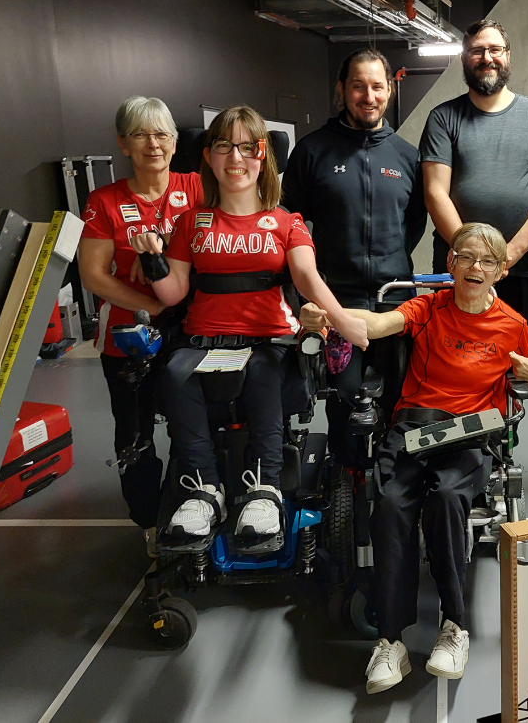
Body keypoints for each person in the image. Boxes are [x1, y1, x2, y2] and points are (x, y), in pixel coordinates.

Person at [302, 222, 528, 693]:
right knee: (391, 505)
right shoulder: (428, 306)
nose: (475, 268)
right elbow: (377, 323)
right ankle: (390, 641)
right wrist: (331, 315)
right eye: (465, 257)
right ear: (449, 263)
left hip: (474, 430)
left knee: (449, 497)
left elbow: (523, 383)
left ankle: (454, 626)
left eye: (487, 261)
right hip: (415, 423)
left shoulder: (513, 324)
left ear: (501, 270)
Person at [131, 105, 367, 540]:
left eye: (248, 147)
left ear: (265, 157)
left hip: (268, 339)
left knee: (263, 372)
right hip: (204, 340)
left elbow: (307, 277)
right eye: (224, 146)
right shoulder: (192, 222)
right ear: (208, 155)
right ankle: (203, 490)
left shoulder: (286, 222)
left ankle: (266, 490)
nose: (236, 158)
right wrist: (152, 259)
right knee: (174, 377)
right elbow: (172, 294)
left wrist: (344, 321)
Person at [282, 48, 427, 471]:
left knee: (403, 393)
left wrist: (390, 259)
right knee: (345, 396)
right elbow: (294, 226)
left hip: (395, 299)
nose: (368, 95)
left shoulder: (406, 155)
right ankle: (348, 478)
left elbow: (413, 223)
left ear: (389, 92)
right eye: (358, 86)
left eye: (377, 86)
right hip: (336, 302)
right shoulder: (311, 153)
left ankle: (393, 476)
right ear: (341, 90)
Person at [79, 96, 203, 556]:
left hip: (193, 332)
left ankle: (198, 502)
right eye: (141, 135)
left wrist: (161, 245)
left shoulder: (196, 187)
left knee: (198, 426)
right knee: (135, 435)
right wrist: (156, 306)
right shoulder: (104, 201)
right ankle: (148, 520)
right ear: (123, 145)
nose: (154, 143)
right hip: (131, 339)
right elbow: (94, 275)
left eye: (162, 134)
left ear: (174, 142)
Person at [420, 19, 528, 341]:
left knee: (513, 360)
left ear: (508, 56)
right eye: (476, 51)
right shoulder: (443, 118)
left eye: (495, 49)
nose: (487, 57)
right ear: (463, 59)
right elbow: (434, 192)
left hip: (519, 267)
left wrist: (508, 255)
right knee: (450, 354)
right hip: (456, 268)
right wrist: (471, 257)